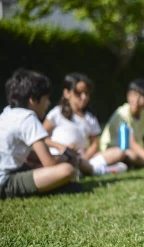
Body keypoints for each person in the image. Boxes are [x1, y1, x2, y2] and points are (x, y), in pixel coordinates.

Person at [0, 69, 76, 199]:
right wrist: (66, 156)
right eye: (46, 99)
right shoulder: (28, 118)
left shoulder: (7, 113)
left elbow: (29, 155)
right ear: (33, 100)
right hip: (4, 182)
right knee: (67, 170)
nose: (48, 103)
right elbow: (49, 163)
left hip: (9, 171)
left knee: (37, 165)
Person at [43, 72, 127, 176]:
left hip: (83, 157)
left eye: (86, 93)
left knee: (119, 152)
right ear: (67, 93)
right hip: (60, 156)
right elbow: (42, 138)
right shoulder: (56, 113)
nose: (84, 97)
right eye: (78, 93)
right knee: (67, 162)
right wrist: (62, 147)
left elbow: (95, 143)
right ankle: (98, 170)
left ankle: (85, 168)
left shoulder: (90, 117)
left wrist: (85, 157)